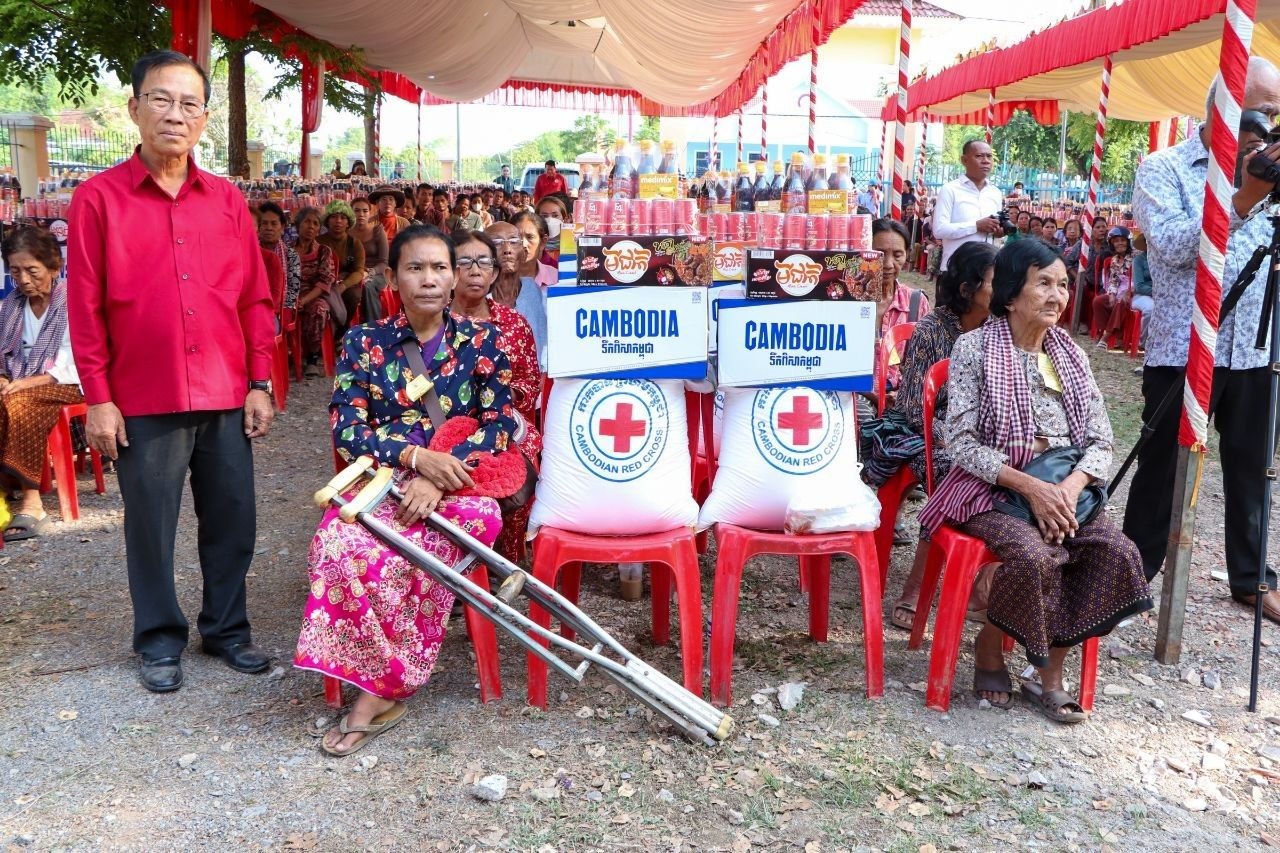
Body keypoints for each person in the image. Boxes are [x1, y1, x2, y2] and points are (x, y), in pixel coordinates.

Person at [67, 50, 275, 693]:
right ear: (135, 108)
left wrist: (260, 381)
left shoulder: (227, 201)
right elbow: (86, 307)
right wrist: (99, 398)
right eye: (161, 99)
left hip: (224, 390)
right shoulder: (97, 200)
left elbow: (254, 298)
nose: (174, 115)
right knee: (150, 527)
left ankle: (227, 630)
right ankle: (159, 639)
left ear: (204, 119)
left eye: (189, 104)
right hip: (143, 395)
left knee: (233, 519)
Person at [295, 225, 518, 756]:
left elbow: (501, 425)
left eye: (440, 268)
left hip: (461, 488)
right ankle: (383, 675)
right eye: (415, 268)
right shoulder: (364, 343)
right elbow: (347, 429)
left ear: (455, 276)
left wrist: (440, 474)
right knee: (338, 545)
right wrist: (414, 459)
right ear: (393, 278)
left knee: (425, 543)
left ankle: (374, 695)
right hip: (381, 483)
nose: (430, 279)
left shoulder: (484, 342)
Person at [918, 240, 1152, 720]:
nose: (1057, 295)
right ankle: (990, 646)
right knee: (1035, 556)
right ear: (1010, 293)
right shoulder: (975, 348)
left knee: (1115, 552)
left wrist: (1068, 489)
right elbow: (959, 442)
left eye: (1063, 285)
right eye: (1043, 283)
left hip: (1066, 489)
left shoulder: (1071, 355)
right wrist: (1031, 488)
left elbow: (1101, 440)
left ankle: (1046, 672)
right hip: (991, 488)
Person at [1124, 56, 1280, 621]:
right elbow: (1168, 247)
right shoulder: (1163, 167)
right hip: (1183, 348)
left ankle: (1252, 578)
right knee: (1161, 468)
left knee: (1253, 468)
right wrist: (1243, 198)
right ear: (1222, 108)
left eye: (1276, 115)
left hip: (1256, 348)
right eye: (1261, 112)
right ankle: (1129, 577)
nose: (1268, 127)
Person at [863, 242, 996, 631]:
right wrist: (956, 438)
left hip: (978, 438)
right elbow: (909, 408)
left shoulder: (999, 331)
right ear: (968, 288)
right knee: (957, 475)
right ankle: (917, 589)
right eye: (996, 282)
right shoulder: (932, 330)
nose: (1007, 289)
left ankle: (985, 584)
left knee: (1014, 472)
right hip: (922, 432)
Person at [451, 229, 543, 559]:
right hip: (444, 425)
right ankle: (455, 559)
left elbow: (530, 383)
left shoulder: (514, 323)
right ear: (449, 270)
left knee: (517, 468)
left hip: (505, 422)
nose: (475, 270)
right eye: (465, 262)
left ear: (493, 272)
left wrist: (498, 398)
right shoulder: (434, 322)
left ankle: (505, 559)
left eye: (484, 262)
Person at [0, 227, 82, 541]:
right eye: (15, 271)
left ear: (54, 268)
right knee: (10, 396)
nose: (22, 279)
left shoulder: (73, 301)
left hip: (66, 380)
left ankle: (32, 502)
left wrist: (31, 381)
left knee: (19, 403)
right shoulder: (10, 305)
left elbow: (79, 358)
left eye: (31, 270)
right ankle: (4, 487)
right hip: (20, 380)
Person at [873, 218, 930, 399]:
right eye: (879, 254)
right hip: (856, 397)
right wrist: (874, 396)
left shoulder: (916, 303)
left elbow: (923, 364)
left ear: (907, 254)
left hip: (899, 400)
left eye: (897, 255)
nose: (888, 264)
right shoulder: (849, 302)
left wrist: (903, 395)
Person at [931, 140, 1004, 272]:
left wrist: (997, 232)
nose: (986, 161)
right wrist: (976, 226)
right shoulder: (950, 190)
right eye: (979, 156)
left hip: (986, 270)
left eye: (989, 156)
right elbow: (939, 230)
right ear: (964, 160)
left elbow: (995, 229)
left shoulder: (995, 193)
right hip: (957, 268)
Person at [291, 206, 339, 376]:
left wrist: (303, 301)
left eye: (315, 223)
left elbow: (324, 282)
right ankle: (288, 353)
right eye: (307, 222)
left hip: (313, 295)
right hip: (289, 295)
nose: (311, 226)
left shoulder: (323, 251)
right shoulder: (287, 249)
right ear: (298, 225)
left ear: (319, 229)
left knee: (319, 310)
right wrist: (291, 299)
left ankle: (312, 356)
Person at [318, 200, 367, 327]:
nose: (338, 221)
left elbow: (359, 271)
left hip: (346, 283)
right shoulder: (318, 242)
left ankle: (342, 331)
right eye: (334, 217)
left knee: (353, 296)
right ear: (327, 221)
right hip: (322, 283)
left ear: (348, 222)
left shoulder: (355, 244)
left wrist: (343, 286)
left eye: (343, 218)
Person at [1091, 226, 1134, 349]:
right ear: (1112, 244)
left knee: (1121, 303)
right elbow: (1113, 280)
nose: (1119, 243)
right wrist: (1111, 294)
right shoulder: (1114, 260)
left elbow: (1140, 279)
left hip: (1135, 290)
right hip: (1120, 289)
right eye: (1116, 241)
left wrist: (1129, 291)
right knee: (1099, 301)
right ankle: (1115, 334)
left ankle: (1106, 336)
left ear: (1128, 241)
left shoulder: (1136, 256)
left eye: (1123, 240)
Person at [256, 201, 300, 312]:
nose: (269, 228)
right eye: (264, 223)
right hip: (253, 305)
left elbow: (292, 292)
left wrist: (275, 310)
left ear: (282, 227)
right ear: (258, 226)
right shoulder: (250, 252)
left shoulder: (291, 255)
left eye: (274, 223)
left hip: (281, 309)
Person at [351, 196, 389, 322]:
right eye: (357, 210)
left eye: (365, 211)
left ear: (370, 213)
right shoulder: (347, 233)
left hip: (377, 274)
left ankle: (373, 325)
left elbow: (384, 262)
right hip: (355, 273)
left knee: (367, 286)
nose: (361, 214)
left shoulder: (378, 231)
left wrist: (368, 272)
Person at [1129, 231, 1154, 347]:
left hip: (1164, 295)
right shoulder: (1139, 260)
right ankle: (1144, 344)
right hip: (1142, 295)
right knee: (1150, 309)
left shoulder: (1165, 260)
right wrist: (1158, 293)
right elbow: (1139, 286)